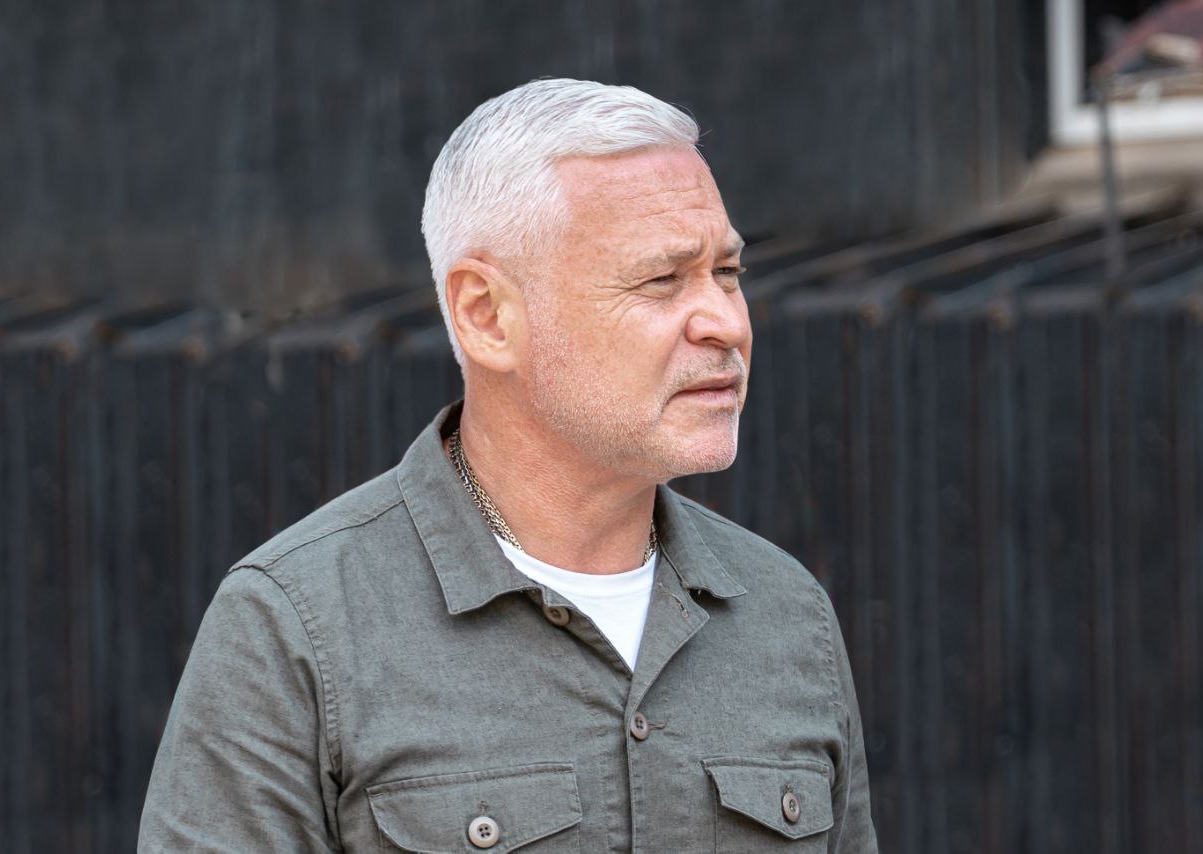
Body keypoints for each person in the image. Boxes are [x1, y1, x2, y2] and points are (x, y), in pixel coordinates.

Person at [140, 77, 878, 852]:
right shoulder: (298, 625)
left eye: (728, 274)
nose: (726, 322)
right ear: (486, 315)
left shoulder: (787, 614)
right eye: (662, 280)